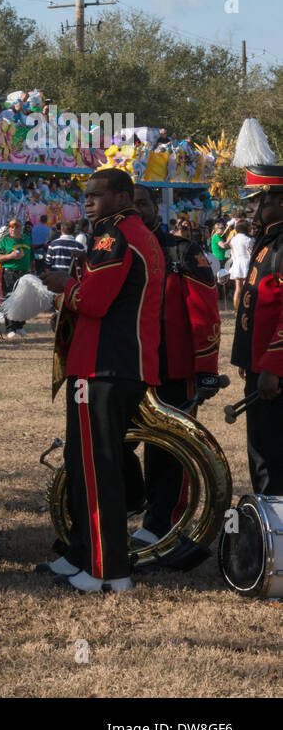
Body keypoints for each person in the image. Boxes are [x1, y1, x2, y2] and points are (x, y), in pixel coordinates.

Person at [40, 168, 163, 592]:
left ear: (122, 196)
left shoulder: (114, 236)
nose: (88, 201)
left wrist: (61, 288)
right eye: (86, 195)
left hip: (104, 366)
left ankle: (107, 571)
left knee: (96, 473)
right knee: (90, 467)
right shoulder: (131, 232)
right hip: (116, 364)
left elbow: (92, 300)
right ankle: (89, 557)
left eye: (97, 195)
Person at [131, 185, 222, 547]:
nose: (137, 210)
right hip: (126, 367)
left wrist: (206, 368)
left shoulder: (182, 250)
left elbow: (204, 313)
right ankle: (132, 502)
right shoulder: (117, 248)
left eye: (143, 203)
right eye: (131, 203)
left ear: (156, 206)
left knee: (168, 451)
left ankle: (162, 525)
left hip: (173, 370)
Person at [229, 167, 283, 495]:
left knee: (272, 459)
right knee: (262, 453)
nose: (253, 208)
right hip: (260, 365)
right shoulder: (268, 241)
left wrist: (271, 368)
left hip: (273, 371)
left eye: (259, 200)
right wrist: (248, 357)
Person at [0, 218, 33, 336]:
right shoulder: (4, 240)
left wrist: (32, 269)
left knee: (23, 299)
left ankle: (20, 326)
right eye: (11, 226)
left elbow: (31, 257)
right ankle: (10, 328)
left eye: (16, 226)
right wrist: (11, 256)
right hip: (10, 272)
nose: (13, 228)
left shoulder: (26, 239)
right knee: (10, 299)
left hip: (24, 272)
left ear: (20, 228)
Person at [229, 218, 255, 306]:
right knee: (246, 288)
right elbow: (252, 253)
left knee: (238, 289)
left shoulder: (233, 239)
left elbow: (232, 253)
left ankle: (236, 310)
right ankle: (245, 308)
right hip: (246, 264)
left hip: (236, 263)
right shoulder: (249, 240)